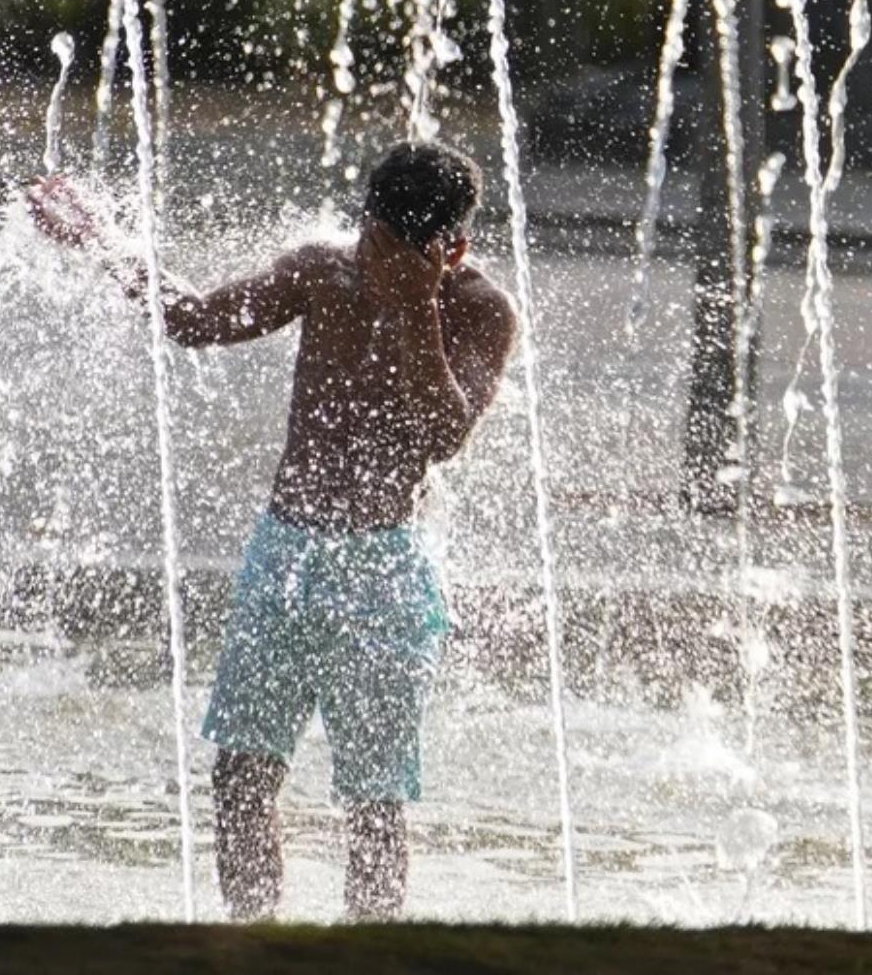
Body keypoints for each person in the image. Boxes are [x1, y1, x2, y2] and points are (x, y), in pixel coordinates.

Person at [30, 141, 518, 921]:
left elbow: (444, 436)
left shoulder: (482, 311)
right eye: (370, 241)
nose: (373, 265)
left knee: (374, 800)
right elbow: (194, 320)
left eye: (395, 256)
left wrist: (414, 309)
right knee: (241, 777)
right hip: (285, 556)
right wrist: (102, 240)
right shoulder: (326, 271)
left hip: (384, 576)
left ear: (450, 252)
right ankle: (253, 940)